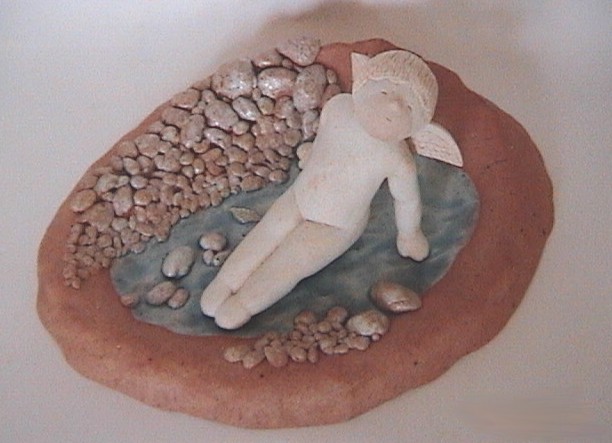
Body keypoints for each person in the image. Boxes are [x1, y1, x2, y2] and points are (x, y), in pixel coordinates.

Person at [200, 49, 462, 329]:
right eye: (385, 92)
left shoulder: (397, 159)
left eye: (409, 107)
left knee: (292, 262)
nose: (394, 107)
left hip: (336, 226)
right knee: (266, 233)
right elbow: (325, 139)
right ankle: (225, 283)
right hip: (299, 196)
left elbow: (407, 201)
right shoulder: (339, 107)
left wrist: (409, 235)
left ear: (419, 124)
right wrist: (313, 155)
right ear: (362, 85)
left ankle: (244, 304)